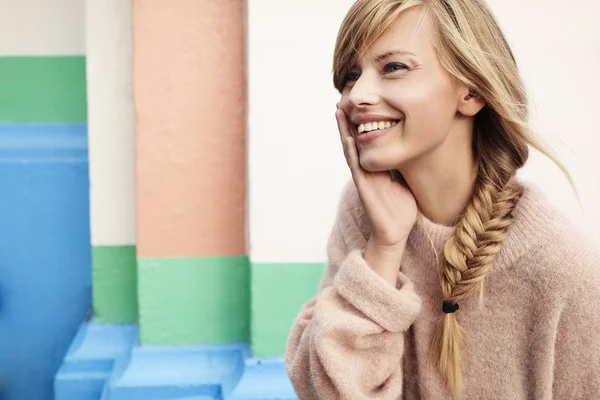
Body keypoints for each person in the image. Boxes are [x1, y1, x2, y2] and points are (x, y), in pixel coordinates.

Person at [284, 0, 600, 399]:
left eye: (393, 67)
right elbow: (325, 391)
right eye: (350, 75)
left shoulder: (563, 269)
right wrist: (384, 248)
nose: (356, 95)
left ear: (471, 90)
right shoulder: (363, 216)